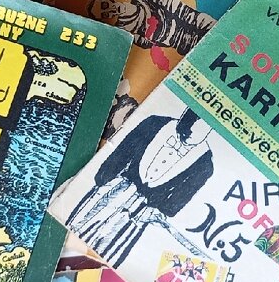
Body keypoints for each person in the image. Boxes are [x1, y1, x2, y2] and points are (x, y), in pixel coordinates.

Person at [65, 108, 214, 267]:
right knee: (79, 225)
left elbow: (180, 198)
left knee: (107, 246)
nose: (188, 136)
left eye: (198, 133)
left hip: (141, 209)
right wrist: (104, 179)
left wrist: (159, 211)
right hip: (116, 187)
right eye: (187, 129)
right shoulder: (155, 122)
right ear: (185, 116)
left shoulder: (205, 164)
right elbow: (123, 151)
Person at [87, 0, 217, 68]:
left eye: (105, 5)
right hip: (186, 47)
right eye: (105, 15)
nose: (110, 10)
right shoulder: (125, 32)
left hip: (198, 24)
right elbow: (147, 44)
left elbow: (181, 10)